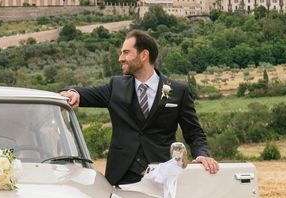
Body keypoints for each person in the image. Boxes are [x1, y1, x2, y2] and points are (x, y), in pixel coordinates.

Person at [60, 29, 219, 186]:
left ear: (144, 55)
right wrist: (73, 93)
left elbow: (194, 132)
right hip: (121, 178)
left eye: (126, 52)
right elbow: (83, 93)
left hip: (162, 178)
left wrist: (201, 155)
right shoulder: (116, 86)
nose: (120, 58)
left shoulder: (178, 91)